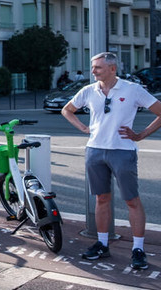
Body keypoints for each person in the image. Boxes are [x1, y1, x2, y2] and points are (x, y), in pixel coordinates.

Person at [61, 52, 161, 270]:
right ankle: (103, 244)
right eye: (93, 67)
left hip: (123, 151)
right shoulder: (89, 90)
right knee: (101, 199)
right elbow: (67, 110)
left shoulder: (132, 89)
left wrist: (141, 134)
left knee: (132, 200)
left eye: (98, 67)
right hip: (95, 151)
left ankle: (138, 249)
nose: (93, 71)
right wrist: (84, 129)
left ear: (113, 68)